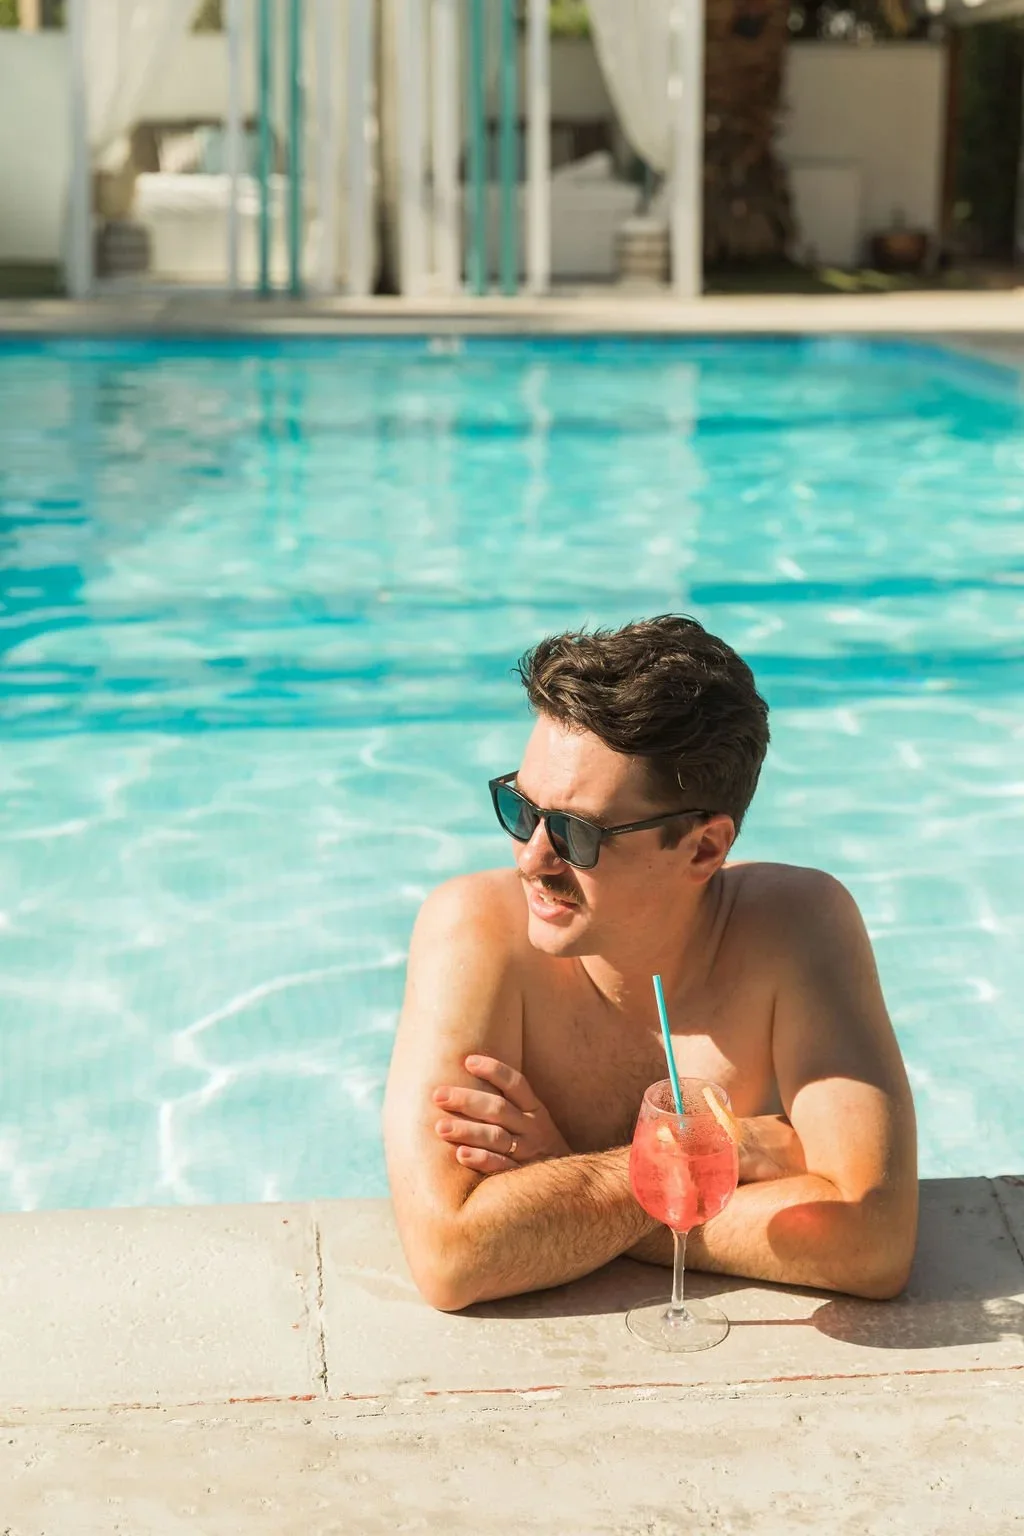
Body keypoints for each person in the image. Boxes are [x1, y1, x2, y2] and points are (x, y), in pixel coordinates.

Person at [383, 615, 918, 1312]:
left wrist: (558, 1186)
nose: (531, 857)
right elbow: (453, 1258)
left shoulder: (798, 927)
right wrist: (716, 1155)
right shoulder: (474, 931)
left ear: (701, 849)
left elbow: (871, 1242)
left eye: (575, 833)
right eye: (521, 807)